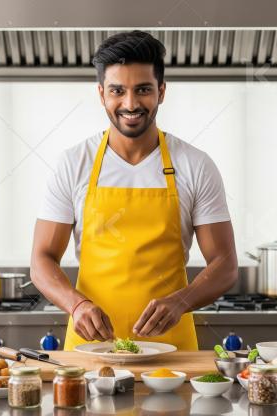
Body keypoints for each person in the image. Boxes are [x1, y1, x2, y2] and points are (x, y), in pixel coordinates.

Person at [31, 31, 237, 350]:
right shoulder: (73, 164)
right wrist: (77, 305)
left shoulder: (196, 165)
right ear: (102, 94)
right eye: (117, 91)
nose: (130, 104)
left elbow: (224, 263)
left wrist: (181, 302)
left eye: (143, 90)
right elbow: (41, 260)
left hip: (171, 351)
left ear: (161, 91)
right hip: (91, 350)